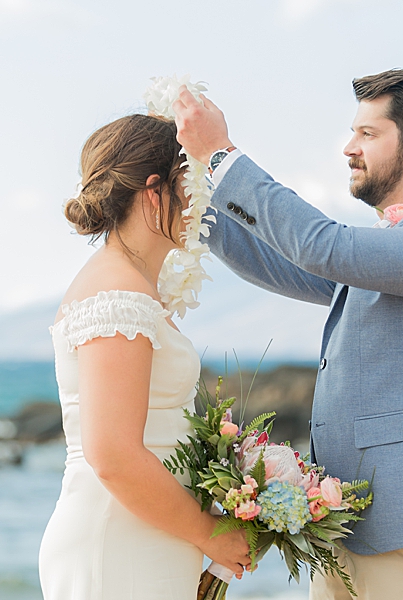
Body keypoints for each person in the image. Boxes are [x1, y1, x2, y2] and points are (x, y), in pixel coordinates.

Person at [174, 69, 403, 600]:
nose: (348, 148)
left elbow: (322, 246)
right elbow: (283, 262)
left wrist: (222, 157)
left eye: (367, 133)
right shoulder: (397, 246)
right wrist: (189, 189)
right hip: (348, 530)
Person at [38, 114, 250, 599]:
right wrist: (209, 532)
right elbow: (111, 454)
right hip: (118, 539)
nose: (202, 201)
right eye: (191, 183)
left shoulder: (129, 286)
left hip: (145, 532)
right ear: (154, 192)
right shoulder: (117, 292)